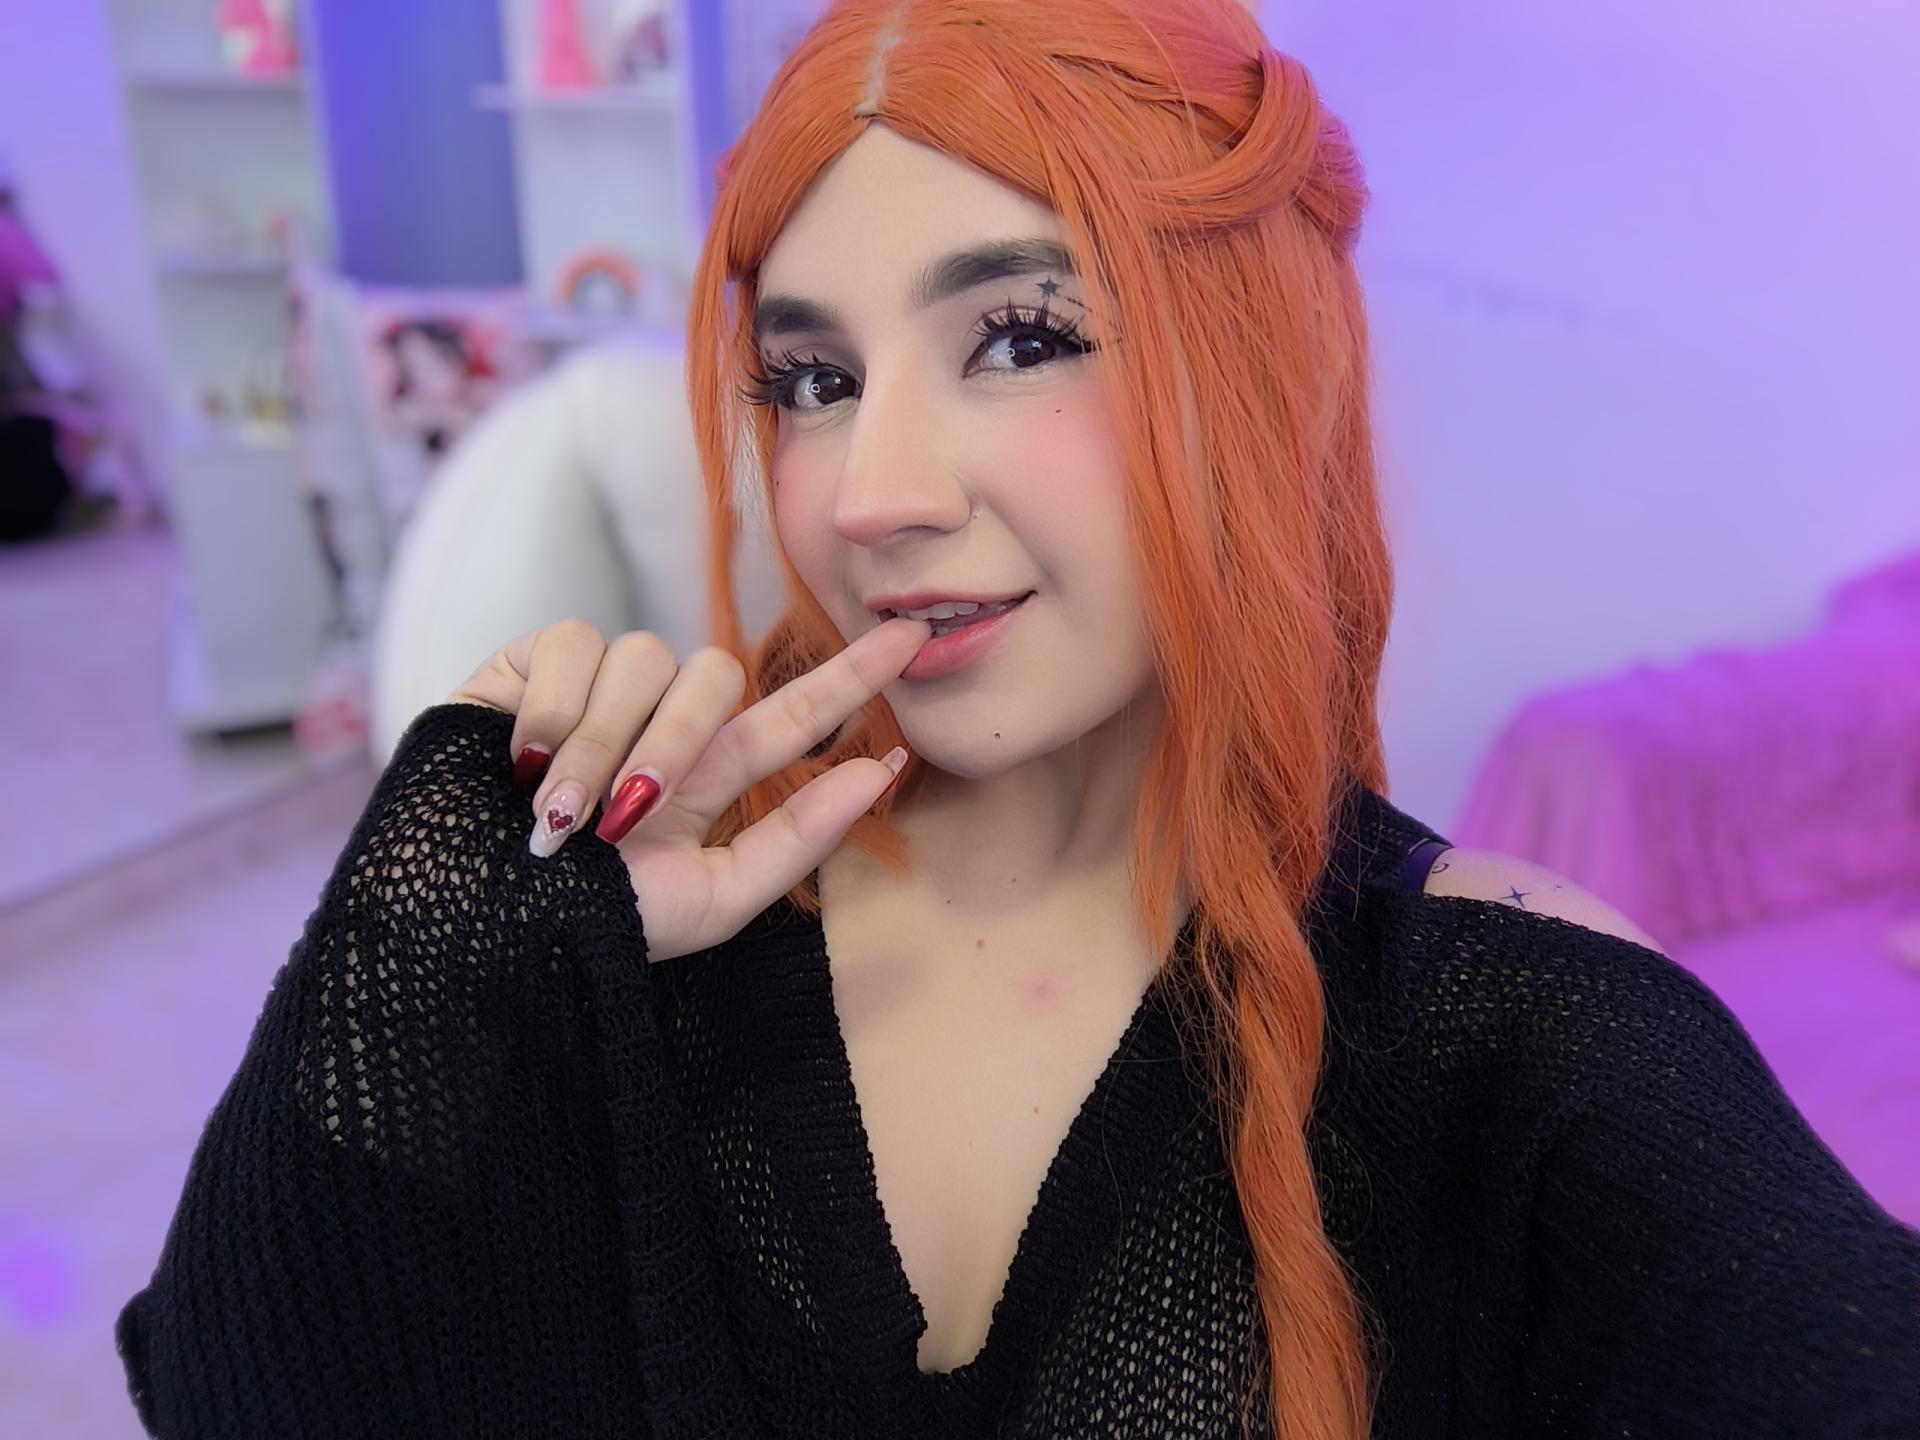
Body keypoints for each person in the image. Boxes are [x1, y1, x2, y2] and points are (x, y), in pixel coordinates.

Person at [116, 2, 1920, 1437]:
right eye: (812, 378)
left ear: (1257, 367)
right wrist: (449, 920)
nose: (871, 494)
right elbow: (239, 1383)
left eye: (1020, 336)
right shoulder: (621, 956)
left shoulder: (1505, 1032)